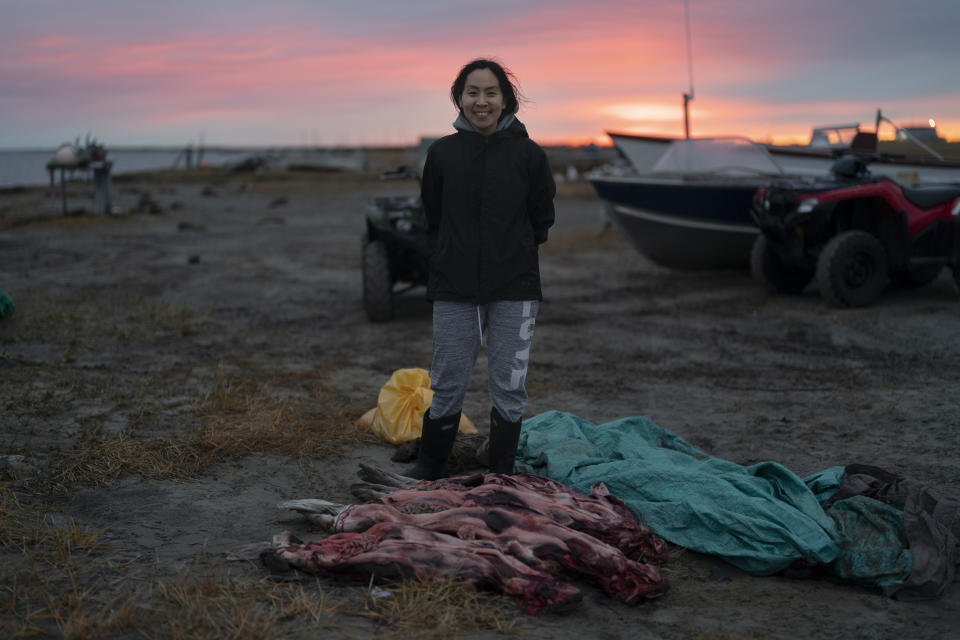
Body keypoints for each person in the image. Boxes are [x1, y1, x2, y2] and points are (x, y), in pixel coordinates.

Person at [405, 58, 556, 480]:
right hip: (454, 286)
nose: (481, 101)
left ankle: (502, 470)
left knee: (509, 384)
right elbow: (432, 217)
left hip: (516, 286)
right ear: (460, 98)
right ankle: (430, 466)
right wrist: (449, 256)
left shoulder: (529, 155)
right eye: (473, 92)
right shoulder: (442, 153)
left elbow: (542, 217)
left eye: (491, 92)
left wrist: (516, 251)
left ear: (505, 99)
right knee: (448, 378)